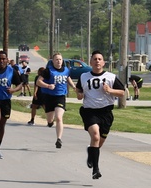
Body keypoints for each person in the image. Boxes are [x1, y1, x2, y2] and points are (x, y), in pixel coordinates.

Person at [77, 50, 126, 180]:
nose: (97, 61)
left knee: (98, 142)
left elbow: (122, 92)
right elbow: (79, 90)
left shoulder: (111, 77)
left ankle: (91, 153)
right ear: (90, 62)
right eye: (95, 59)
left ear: (103, 62)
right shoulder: (84, 76)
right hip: (90, 111)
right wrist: (79, 95)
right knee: (95, 136)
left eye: (100, 59)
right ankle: (96, 170)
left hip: (106, 113)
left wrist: (110, 90)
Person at [37, 53, 77, 149]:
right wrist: (48, 86)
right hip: (49, 97)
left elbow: (68, 78)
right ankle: (50, 122)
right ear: (53, 61)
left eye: (60, 59)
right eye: (56, 59)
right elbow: (38, 82)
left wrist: (74, 87)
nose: (59, 61)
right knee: (50, 120)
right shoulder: (48, 71)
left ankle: (59, 139)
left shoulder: (66, 70)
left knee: (59, 118)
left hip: (60, 97)